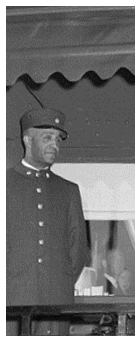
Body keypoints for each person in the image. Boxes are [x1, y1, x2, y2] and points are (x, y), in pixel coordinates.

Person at [6, 108, 91, 335]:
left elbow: (78, 251)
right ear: (27, 139)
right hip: (9, 305)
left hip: (56, 305)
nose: (54, 144)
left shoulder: (68, 190)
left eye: (57, 139)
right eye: (47, 138)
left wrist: (57, 284)